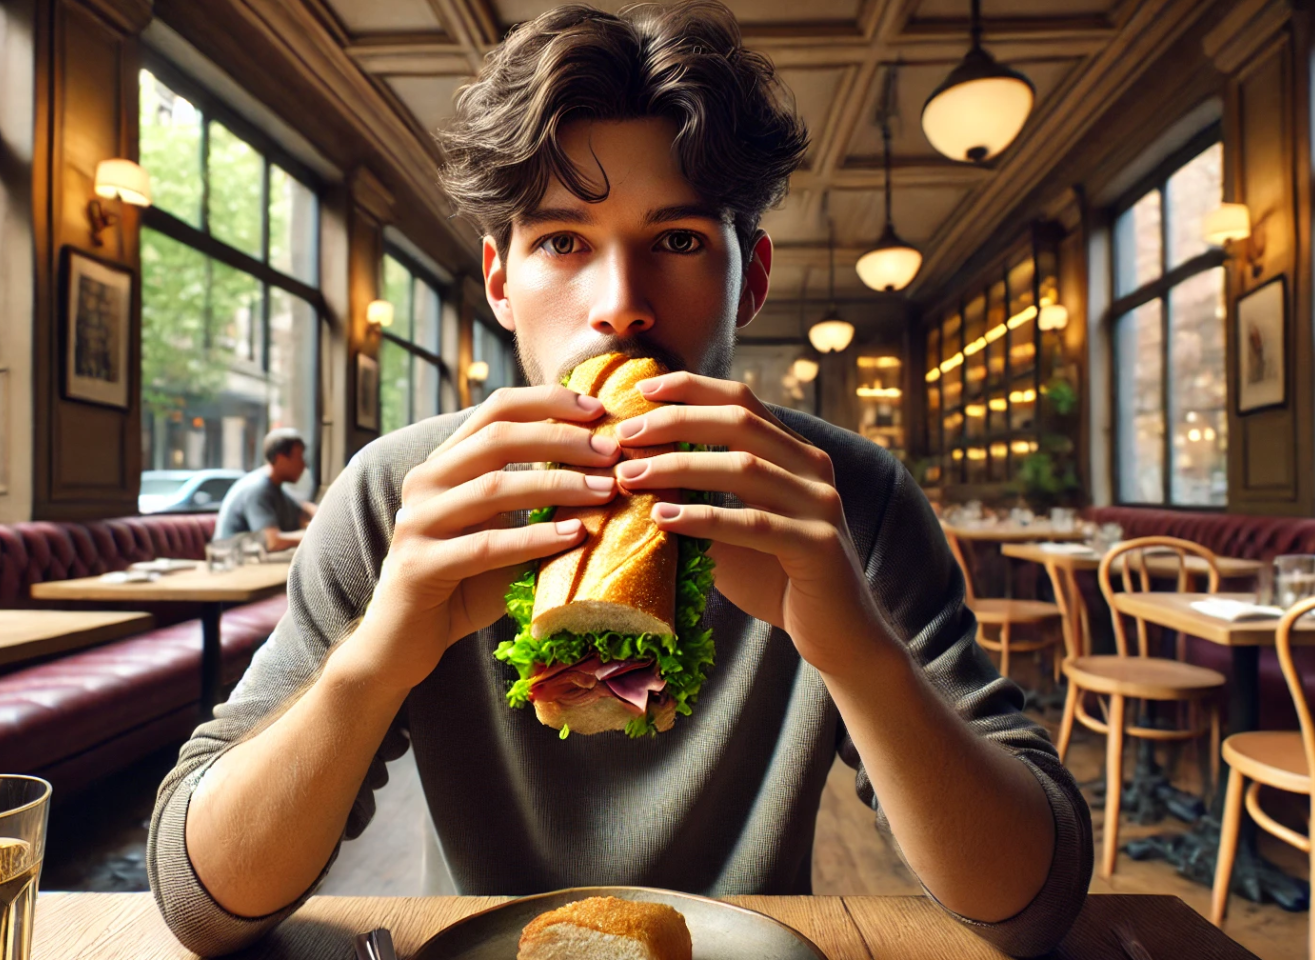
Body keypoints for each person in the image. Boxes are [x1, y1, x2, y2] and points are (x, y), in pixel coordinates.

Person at [150, 5, 1092, 957]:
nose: (622, 307)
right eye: (563, 242)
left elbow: (1030, 903)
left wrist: (858, 655)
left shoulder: (846, 495)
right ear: (500, 281)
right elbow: (201, 901)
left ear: (751, 281)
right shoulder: (399, 493)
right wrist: (376, 660)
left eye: (678, 241)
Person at [212, 428, 317, 553]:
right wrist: (316, 536)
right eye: (299, 458)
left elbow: (302, 509)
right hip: (232, 560)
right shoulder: (257, 489)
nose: (303, 465)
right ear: (281, 458)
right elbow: (272, 542)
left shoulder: (275, 487)